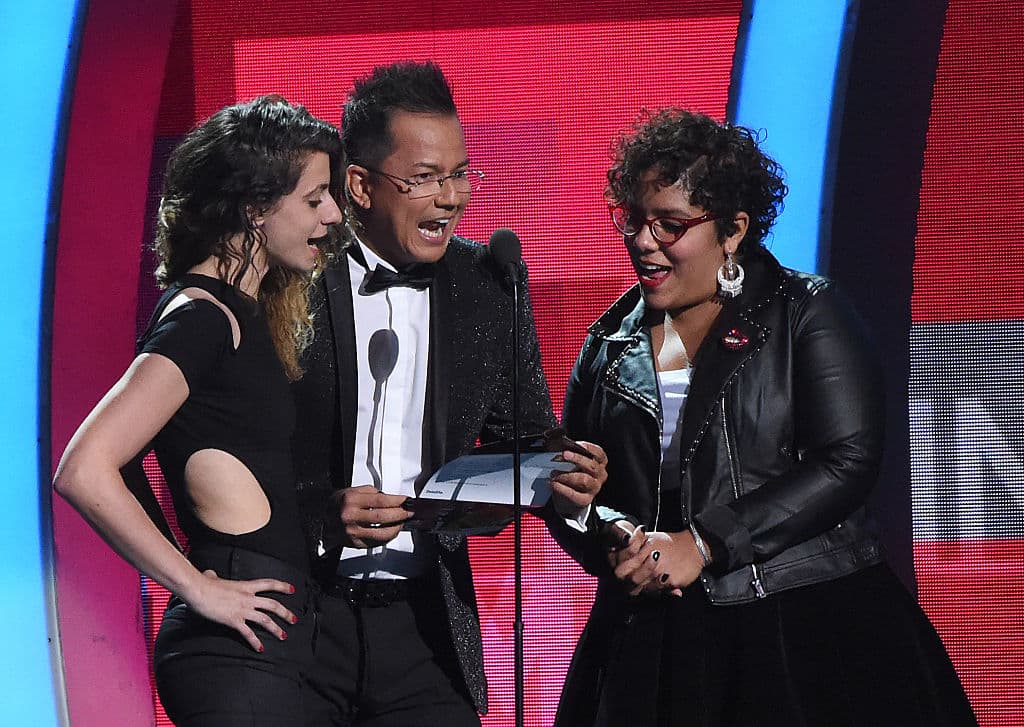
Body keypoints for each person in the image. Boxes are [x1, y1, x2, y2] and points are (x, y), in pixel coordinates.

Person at [551, 109, 976, 726]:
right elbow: (590, 496)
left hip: (797, 628)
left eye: (670, 225)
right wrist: (599, 525)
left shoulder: (805, 313)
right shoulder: (609, 343)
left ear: (732, 230)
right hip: (653, 641)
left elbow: (848, 459)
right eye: (634, 220)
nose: (643, 241)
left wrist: (705, 543)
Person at [291, 60, 607, 726]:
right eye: (425, 178)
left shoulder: (488, 286)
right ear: (360, 185)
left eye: (461, 173)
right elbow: (229, 446)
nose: (452, 197)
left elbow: (522, 432)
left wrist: (560, 463)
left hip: (425, 622)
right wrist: (321, 514)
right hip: (297, 616)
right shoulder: (291, 280)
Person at [53, 96, 343, 726]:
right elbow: (86, 467)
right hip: (236, 654)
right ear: (256, 207)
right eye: (315, 197)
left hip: (275, 640)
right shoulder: (202, 318)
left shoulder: (239, 311)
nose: (333, 215)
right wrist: (195, 586)